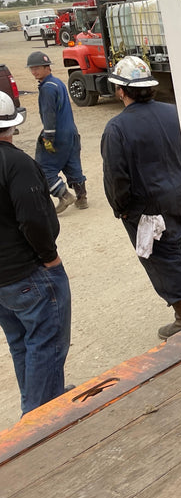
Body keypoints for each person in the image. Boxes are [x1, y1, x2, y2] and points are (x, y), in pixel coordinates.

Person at [100, 56, 181, 339]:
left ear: (120, 90)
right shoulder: (173, 112)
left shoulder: (117, 128)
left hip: (150, 206)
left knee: (163, 258)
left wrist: (123, 209)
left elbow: (116, 178)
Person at [0, 91, 71, 416]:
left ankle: (42, 399)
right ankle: (39, 419)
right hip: (28, 274)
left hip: (4, 284)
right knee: (45, 342)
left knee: (22, 344)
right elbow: (34, 217)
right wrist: (49, 257)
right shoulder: (15, 163)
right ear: (11, 125)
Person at [26, 51, 87, 213]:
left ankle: (65, 195)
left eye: (37, 68)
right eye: (32, 69)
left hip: (57, 135)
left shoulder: (47, 88)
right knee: (72, 164)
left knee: (43, 169)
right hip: (71, 133)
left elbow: (49, 114)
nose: (34, 72)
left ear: (48, 68)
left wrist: (48, 137)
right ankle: (82, 198)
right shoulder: (58, 83)